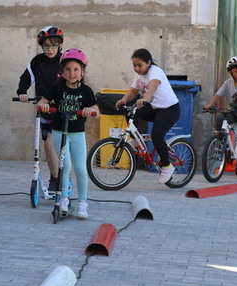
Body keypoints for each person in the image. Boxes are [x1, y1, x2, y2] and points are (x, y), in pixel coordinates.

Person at [36, 48, 99, 219]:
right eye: (68, 70)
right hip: (59, 132)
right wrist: (44, 105)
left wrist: (89, 110)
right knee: (65, 166)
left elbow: (96, 111)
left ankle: (83, 203)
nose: (72, 73)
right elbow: (43, 101)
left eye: (76, 69)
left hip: (77, 134)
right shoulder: (57, 88)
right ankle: (63, 198)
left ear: (82, 72)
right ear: (62, 72)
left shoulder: (86, 91)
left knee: (80, 168)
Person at [115, 48, 181, 184]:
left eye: (140, 65)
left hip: (170, 109)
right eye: (134, 65)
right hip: (156, 109)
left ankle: (167, 167)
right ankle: (134, 139)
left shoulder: (155, 72)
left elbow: (153, 86)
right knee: (129, 110)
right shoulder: (139, 75)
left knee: (157, 136)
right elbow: (133, 91)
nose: (137, 68)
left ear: (148, 63)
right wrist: (123, 100)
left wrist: (146, 98)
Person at [16, 26, 64, 192]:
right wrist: (22, 92)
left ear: (60, 45)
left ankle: (59, 178)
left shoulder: (64, 61)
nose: (50, 49)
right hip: (44, 111)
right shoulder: (38, 61)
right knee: (47, 145)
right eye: (46, 46)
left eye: (53, 45)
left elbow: (75, 80)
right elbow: (26, 77)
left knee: (52, 145)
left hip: (61, 111)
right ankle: (55, 177)